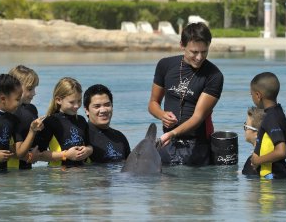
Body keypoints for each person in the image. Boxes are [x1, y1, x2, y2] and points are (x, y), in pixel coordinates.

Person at [148, 22, 224, 166]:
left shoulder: (214, 76)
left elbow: (198, 117)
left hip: (197, 146)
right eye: (194, 52)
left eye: (204, 51)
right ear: (182, 45)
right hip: (168, 142)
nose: (199, 57)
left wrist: (172, 133)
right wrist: (161, 115)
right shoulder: (165, 65)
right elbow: (153, 103)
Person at [37, 77, 93, 167]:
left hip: (82, 175)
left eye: (79, 101)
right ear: (58, 100)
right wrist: (65, 155)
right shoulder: (51, 121)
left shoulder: (81, 120)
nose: (77, 106)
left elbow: (89, 145)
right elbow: (39, 155)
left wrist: (88, 150)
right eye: (71, 102)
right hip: (59, 176)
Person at [250, 72, 286, 179]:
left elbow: (281, 151)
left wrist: (257, 160)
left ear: (258, 95)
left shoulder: (270, 118)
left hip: (271, 178)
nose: (251, 97)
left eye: (251, 94)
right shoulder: (279, 113)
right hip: (281, 174)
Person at [83, 84, 130, 163]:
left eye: (107, 105)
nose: (103, 110)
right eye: (97, 106)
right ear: (87, 110)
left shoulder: (120, 137)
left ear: (112, 106)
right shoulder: (82, 136)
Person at [8, 65, 43, 169]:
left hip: (26, 170)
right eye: (30, 89)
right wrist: (28, 156)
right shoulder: (6, 112)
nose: (34, 93)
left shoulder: (31, 110)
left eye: (34, 88)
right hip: (7, 171)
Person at [242, 106, 265, 176]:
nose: (244, 129)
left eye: (246, 126)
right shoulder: (269, 156)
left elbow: (254, 184)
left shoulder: (254, 161)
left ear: (257, 133)